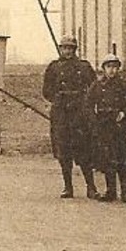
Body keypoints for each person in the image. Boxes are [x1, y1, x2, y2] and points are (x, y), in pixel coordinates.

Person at [42, 36, 99, 198]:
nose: (67, 51)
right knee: (63, 151)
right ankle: (68, 187)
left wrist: (84, 102)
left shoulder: (84, 66)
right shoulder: (53, 67)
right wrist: (58, 99)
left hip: (80, 114)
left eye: (70, 48)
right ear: (61, 49)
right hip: (61, 115)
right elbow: (46, 90)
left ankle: (91, 187)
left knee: (84, 150)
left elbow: (93, 87)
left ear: (75, 50)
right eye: (64, 48)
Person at [87, 53, 126, 203]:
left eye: (115, 67)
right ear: (103, 68)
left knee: (124, 160)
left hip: (121, 127)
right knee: (107, 159)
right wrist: (95, 122)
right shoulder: (97, 86)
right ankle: (110, 191)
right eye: (109, 67)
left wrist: (125, 113)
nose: (112, 70)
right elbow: (88, 106)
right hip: (105, 127)